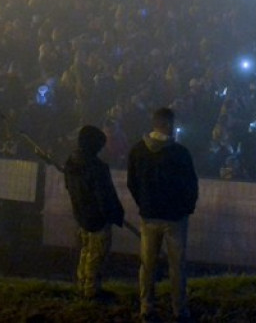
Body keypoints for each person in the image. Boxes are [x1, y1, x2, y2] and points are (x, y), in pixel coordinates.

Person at [127, 107, 199, 323]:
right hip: (175, 218)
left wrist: (144, 204)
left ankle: (146, 308)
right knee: (177, 266)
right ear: (168, 124)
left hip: (149, 216)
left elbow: (132, 183)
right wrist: (186, 209)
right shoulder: (180, 153)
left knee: (147, 265)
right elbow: (191, 185)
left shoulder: (138, 150)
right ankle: (179, 310)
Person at [64, 124, 125, 301]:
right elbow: (105, 196)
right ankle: (91, 290)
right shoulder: (97, 167)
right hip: (98, 219)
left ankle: (82, 284)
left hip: (81, 215)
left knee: (85, 251)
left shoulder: (71, 162)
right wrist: (114, 214)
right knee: (96, 255)